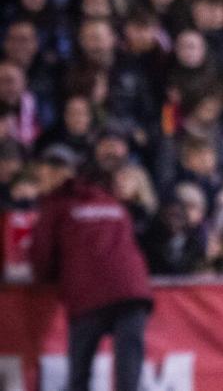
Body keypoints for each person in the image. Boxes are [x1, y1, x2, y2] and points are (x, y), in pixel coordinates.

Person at [29, 161, 152, 391]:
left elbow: (42, 252)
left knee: (80, 372)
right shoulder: (113, 202)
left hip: (88, 294)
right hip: (132, 291)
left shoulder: (57, 205)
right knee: (129, 374)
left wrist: (44, 279)